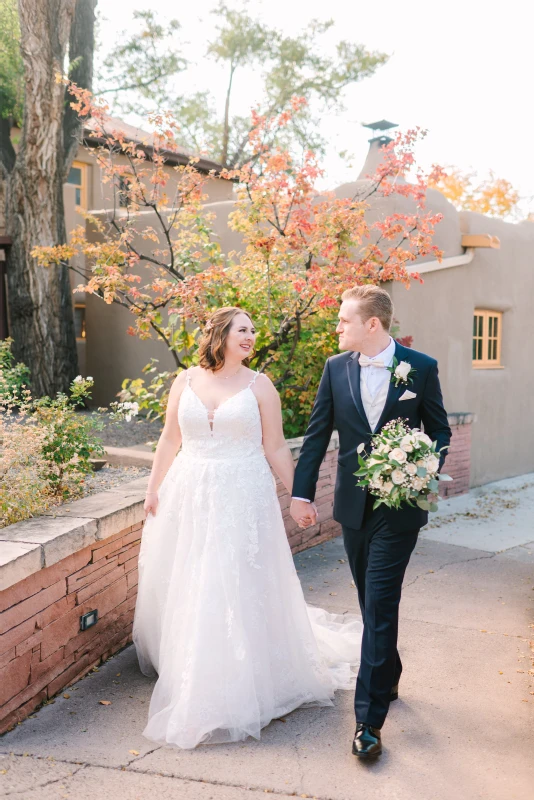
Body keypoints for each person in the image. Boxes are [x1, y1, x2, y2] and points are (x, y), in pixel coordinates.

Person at [132, 306, 362, 749]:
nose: (251, 336)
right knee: (193, 578)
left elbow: (274, 446)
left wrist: (299, 497)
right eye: (243, 329)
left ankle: (241, 677)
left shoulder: (260, 385)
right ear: (219, 333)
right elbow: (169, 438)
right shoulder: (185, 381)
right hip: (190, 492)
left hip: (242, 494)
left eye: (254, 331)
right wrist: (153, 488)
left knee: (233, 577)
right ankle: (195, 666)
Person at [291, 285, 451, 759]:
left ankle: (368, 722)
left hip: (400, 508)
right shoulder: (335, 369)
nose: (337, 328)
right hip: (354, 507)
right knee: (370, 601)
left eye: (343, 321)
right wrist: (301, 493)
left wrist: (425, 465)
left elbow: (439, 429)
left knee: (380, 602)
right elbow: (318, 433)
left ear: (372, 325)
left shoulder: (420, 368)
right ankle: (388, 671)